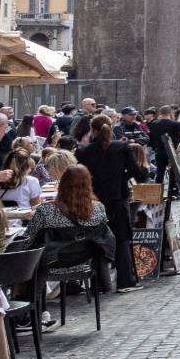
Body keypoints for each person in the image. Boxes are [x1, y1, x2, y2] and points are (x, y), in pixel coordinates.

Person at [75, 114, 146, 290]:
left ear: (92, 130)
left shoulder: (83, 151)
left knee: (97, 239)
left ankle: (100, 284)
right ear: (111, 128)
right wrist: (123, 176)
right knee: (122, 240)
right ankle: (125, 281)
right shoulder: (121, 147)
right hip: (117, 199)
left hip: (94, 201)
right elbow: (139, 174)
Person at [19, 165, 109, 249]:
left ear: (62, 184)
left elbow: (27, 241)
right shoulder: (99, 208)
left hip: (51, 262)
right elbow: (102, 235)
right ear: (89, 184)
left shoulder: (45, 211)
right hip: (86, 261)